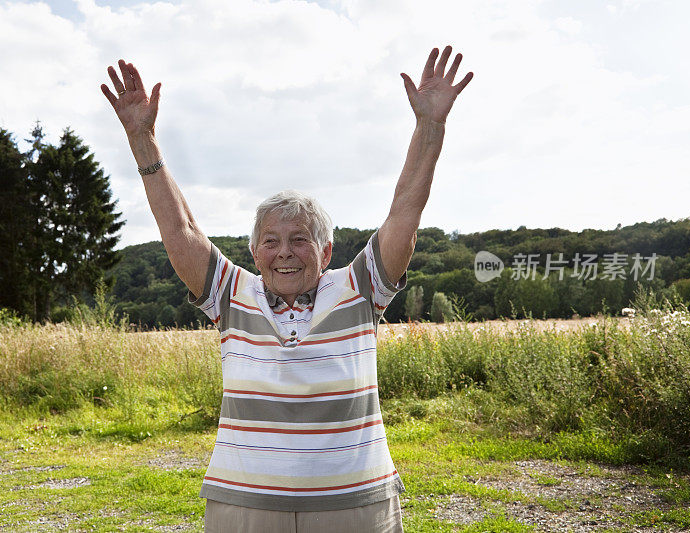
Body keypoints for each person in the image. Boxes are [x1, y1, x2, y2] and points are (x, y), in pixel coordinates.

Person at [101, 46, 472, 533]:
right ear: (254, 251)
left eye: (300, 239)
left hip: (354, 506)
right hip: (245, 508)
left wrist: (430, 127)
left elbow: (405, 211)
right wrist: (142, 139)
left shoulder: (360, 289)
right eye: (271, 241)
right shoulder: (232, 294)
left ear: (326, 251)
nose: (285, 252)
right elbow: (181, 231)